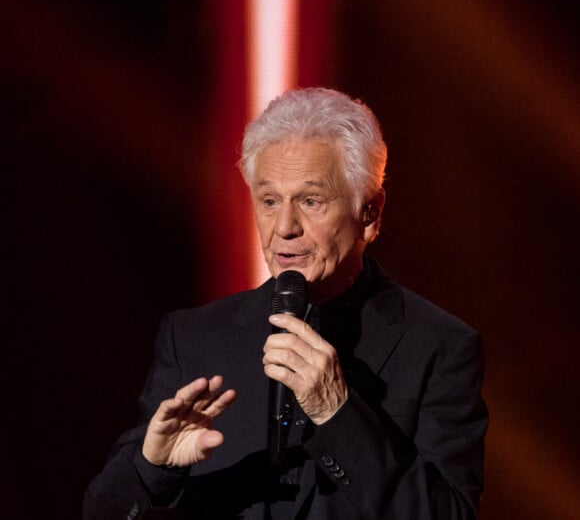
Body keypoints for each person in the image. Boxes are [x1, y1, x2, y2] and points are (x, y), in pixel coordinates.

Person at [83, 87, 488, 519]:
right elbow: (101, 511)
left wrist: (339, 415)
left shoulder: (439, 346)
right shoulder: (194, 337)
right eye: (269, 201)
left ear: (369, 213)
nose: (285, 227)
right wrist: (153, 469)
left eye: (311, 201)